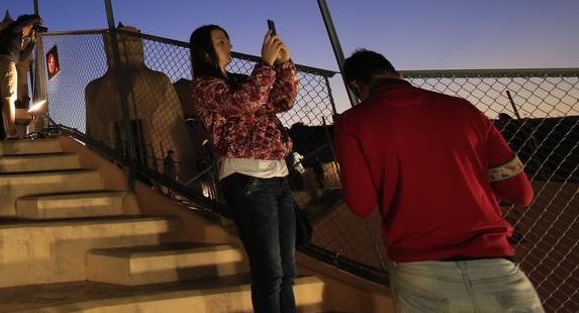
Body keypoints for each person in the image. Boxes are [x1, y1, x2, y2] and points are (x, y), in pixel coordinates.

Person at [333, 49, 542, 313]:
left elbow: (361, 204)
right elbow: (521, 193)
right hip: (496, 267)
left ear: (355, 86)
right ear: (398, 75)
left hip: (421, 274)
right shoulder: (464, 109)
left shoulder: (352, 123)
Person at [190, 24, 297, 313]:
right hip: (247, 178)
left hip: (279, 176)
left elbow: (282, 101)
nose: (229, 44)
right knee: (270, 271)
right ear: (205, 50)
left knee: (288, 271)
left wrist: (284, 64)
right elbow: (242, 103)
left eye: (228, 39)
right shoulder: (204, 86)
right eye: (221, 40)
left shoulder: (242, 79)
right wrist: (264, 64)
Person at [0, 14, 41, 140]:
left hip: (3, 62)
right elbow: (19, 24)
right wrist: (37, 19)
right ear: (27, 25)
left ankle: (5, 131)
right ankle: (12, 132)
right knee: (9, 97)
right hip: (6, 63)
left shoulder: (13, 36)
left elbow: (21, 57)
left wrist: (32, 42)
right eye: (31, 28)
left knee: (3, 98)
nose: (31, 32)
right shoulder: (14, 29)